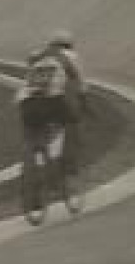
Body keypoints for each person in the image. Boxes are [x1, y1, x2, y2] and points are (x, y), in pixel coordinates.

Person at [17, 30, 88, 172]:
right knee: (71, 124)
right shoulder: (69, 57)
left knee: (30, 137)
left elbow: (29, 74)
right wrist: (84, 100)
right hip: (53, 99)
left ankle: (28, 169)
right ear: (69, 45)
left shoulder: (36, 55)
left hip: (27, 100)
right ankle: (66, 165)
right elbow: (79, 81)